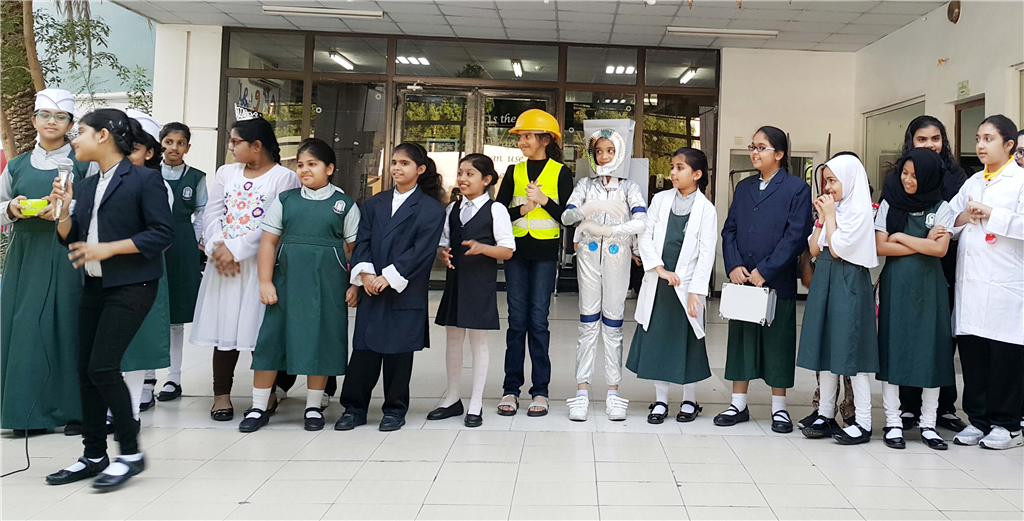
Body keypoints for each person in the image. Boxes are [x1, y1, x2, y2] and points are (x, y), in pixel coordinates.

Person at [44, 108, 173, 490]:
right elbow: (71, 239)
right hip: (94, 285)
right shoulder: (85, 185)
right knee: (85, 369)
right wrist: (62, 212)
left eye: (81, 131)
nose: (74, 138)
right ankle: (94, 454)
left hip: (134, 285)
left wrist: (110, 248)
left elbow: (162, 234)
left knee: (103, 367)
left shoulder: (145, 180)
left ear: (103, 135)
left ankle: (130, 453)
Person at [241, 139, 360, 432]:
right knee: (271, 342)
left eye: (312, 164)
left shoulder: (344, 205)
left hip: (327, 288)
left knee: (321, 342)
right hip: (286, 284)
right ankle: (258, 407)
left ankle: (313, 406)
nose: (305, 170)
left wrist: (354, 285)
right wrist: (265, 281)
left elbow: (355, 251)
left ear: (329, 168)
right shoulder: (286, 200)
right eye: (301, 164)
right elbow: (268, 243)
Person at [190, 116, 300, 421]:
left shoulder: (284, 178)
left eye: (235, 141)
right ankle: (221, 396)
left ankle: (266, 394)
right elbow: (212, 213)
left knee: (260, 331)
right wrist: (218, 246)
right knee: (224, 330)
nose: (230, 147)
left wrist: (236, 250)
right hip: (223, 267)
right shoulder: (226, 173)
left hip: (259, 267)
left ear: (257, 145)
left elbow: (274, 224)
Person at [334, 143, 445, 432]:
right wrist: (365, 275)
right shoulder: (375, 203)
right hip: (372, 288)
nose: (397, 168)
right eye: (394, 162)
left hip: (404, 290)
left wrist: (389, 277)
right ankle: (354, 408)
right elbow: (362, 242)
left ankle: (395, 410)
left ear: (420, 169)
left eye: (404, 163)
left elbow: (422, 251)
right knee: (364, 351)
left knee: (399, 354)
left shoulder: (431, 209)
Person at [0, 89, 89, 436]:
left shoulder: (83, 163)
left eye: (60, 117)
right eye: (45, 115)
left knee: (68, 323)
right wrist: (12, 208)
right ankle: (25, 413)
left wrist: (67, 209)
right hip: (26, 254)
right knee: (24, 326)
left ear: (70, 123)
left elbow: (99, 207)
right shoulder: (17, 165)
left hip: (69, 251)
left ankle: (75, 410)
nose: (52, 122)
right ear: (34, 120)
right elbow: (1, 204)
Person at [717, 126, 812, 433]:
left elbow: (796, 235)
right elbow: (730, 230)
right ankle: (738, 403)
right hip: (743, 279)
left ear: (779, 154)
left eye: (761, 147)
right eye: (752, 147)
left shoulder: (797, 188)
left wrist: (766, 270)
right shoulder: (744, 187)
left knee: (778, 343)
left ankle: (779, 408)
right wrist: (733, 265)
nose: (754, 153)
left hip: (775, 281)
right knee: (741, 339)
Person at [560, 126, 646, 422]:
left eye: (610, 150)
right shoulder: (585, 185)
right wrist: (590, 209)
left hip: (618, 253)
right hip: (587, 253)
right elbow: (567, 216)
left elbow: (642, 221)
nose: (604, 156)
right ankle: (581, 390)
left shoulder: (630, 188)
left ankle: (613, 391)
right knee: (587, 322)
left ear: (620, 153)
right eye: (599, 151)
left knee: (613, 322)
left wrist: (611, 230)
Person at [949, 115, 1023, 450]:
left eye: (989, 139)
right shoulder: (973, 182)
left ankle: (1008, 424)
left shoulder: (1020, 181)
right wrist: (966, 216)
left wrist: (993, 214)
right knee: (974, 354)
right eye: (978, 138)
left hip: (1006, 285)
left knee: (1004, 355)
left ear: (1009, 145)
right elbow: (947, 220)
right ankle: (978, 420)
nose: (980, 145)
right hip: (972, 285)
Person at [493, 109, 574, 417]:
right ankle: (510, 389)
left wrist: (544, 201)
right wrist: (523, 210)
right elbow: (498, 213)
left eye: (527, 136)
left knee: (538, 320)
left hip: (544, 254)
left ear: (545, 139)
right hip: (516, 253)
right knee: (516, 321)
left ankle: (541, 390)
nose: (522, 141)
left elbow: (569, 217)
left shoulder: (560, 172)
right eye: (521, 136)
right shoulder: (513, 171)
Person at [627, 147, 716, 424]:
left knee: (688, 342)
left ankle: (689, 400)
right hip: (659, 282)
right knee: (658, 340)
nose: (672, 173)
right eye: (672, 167)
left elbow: (706, 253)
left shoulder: (706, 209)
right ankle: (661, 401)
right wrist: (660, 269)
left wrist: (695, 291)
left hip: (687, 287)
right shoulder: (660, 199)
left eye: (680, 168)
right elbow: (645, 236)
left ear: (696, 174)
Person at [875, 148, 955, 450]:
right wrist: (923, 242)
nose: (908, 180)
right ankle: (893, 421)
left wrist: (900, 237)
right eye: (904, 173)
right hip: (896, 286)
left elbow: (940, 250)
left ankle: (928, 423)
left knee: (931, 351)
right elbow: (880, 246)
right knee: (892, 349)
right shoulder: (890, 203)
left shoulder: (942, 207)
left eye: (914, 175)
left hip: (930, 289)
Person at [798, 154, 879, 445]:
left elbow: (837, 249)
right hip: (826, 279)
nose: (828, 187)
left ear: (850, 180)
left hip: (848, 281)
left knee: (852, 352)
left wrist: (830, 217)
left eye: (833, 180)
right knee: (828, 347)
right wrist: (822, 220)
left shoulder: (859, 212)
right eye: (826, 181)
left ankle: (864, 422)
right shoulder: (836, 210)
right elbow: (814, 248)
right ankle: (825, 413)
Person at [429, 154, 515, 428]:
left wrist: (482, 248)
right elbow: (443, 242)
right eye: (460, 173)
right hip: (455, 281)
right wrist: (442, 253)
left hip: (480, 283)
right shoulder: (452, 209)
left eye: (470, 174)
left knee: (478, 341)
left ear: (486, 179)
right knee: (453, 339)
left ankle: (475, 402)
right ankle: (452, 398)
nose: (462, 179)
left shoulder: (495, 209)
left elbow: (507, 250)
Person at [895, 116, 969, 433]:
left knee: (940, 337)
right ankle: (909, 406)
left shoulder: (955, 177)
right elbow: (888, 229)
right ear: (911, 141)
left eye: (935, 139)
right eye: (922, 139)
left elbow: (953, 222)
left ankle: (943, 406)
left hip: (944, 265)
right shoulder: (898, 177)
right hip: (907, 266)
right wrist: (914, 240)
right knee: (907, 333)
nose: (930, 145)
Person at [144, 122, 207, 404]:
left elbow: (203, 211)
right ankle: (147, 379)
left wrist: (193, 239)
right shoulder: (148, 174)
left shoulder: (196, 177)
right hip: (150, 244)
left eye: (180, 143)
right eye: (168, 142)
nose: (174, 148)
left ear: (188, 147)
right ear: (159, 145)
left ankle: (174, 377)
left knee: (175, 316)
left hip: (182, 246)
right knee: (149, 312)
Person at [117, 113, 172, 425]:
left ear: (150, 153)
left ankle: (132, 410)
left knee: (137, 340)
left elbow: (161, 236)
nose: (126, 155)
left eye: (134, 149)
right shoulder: (101, 181)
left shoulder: (156, 185)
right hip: (106, 270)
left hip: (141, 271)